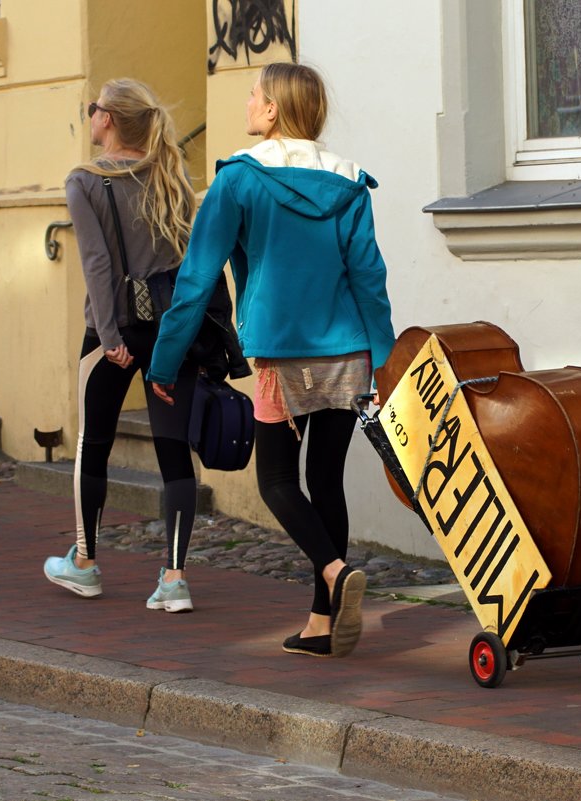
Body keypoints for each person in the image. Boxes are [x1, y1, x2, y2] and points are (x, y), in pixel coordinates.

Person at [147, 63, 395, 657]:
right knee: (325, 482)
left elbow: (196, 278)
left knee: (278, 481)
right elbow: (369, 277)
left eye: (255, 93)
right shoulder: (349, 182)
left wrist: (163, 361)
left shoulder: (239, 179)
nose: (248, 99)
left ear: (275, 110)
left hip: (281, 359)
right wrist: (384, 360)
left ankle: (334, 578)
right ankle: (321, 624)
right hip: (349, 354)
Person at [43, 78, 203, 613]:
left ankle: (85, 564)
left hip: (110, 333)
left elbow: (96, 264)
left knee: (95, 444)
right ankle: (175, 578)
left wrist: (110, 338)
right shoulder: (170, 174)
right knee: (173, 448)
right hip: (170, 330)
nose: (89, 116)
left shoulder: (83, 181)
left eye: (93, 109)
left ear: (107, 119)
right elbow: (187, 262)